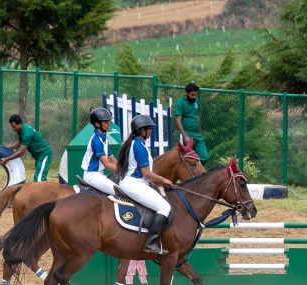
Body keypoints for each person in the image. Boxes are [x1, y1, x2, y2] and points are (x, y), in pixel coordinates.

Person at [115, 114, 174, 254]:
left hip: (135, 183)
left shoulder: (136, 143)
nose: (151, 131)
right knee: (164, 207)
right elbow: (146, 173)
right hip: (134, 184)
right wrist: (163, 180)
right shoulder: (139, 146)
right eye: (149, 129)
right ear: (142, 131)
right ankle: (151, 242)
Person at [77, 106, 119, 198]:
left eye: (109, 121)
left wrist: (126, 166)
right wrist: (124, 170)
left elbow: (113, 160)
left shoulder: (104, 140)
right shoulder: (96, 141)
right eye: (106, 122)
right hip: (92, 176)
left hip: (98, 174)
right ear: (97, 124)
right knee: (119, 192)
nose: (109, 124)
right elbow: (107, 165)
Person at [4, 113, 55, 182]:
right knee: (40, 177)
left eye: (14, 126)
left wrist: (7, 159)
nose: (13, 129)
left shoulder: (26, 133)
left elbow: (21, 152)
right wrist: (7, 148)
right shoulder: (21, 130)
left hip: (44, 154)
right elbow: (19, 143)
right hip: (38, 156)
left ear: (20, 123)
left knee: (39, 179)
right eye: (11, 127)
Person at [173, 83, 209, 164]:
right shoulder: (180, 103)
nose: (194, 97)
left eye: (196, 95)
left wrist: (200, 130)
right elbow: (178, 121)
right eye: (192, 95)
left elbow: (198, 115)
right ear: (186, 93)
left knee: (204, 157)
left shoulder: (196, 101)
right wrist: (185, 136)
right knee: (187, 157)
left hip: (197, 134)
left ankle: (197, 171)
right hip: (187, 133)